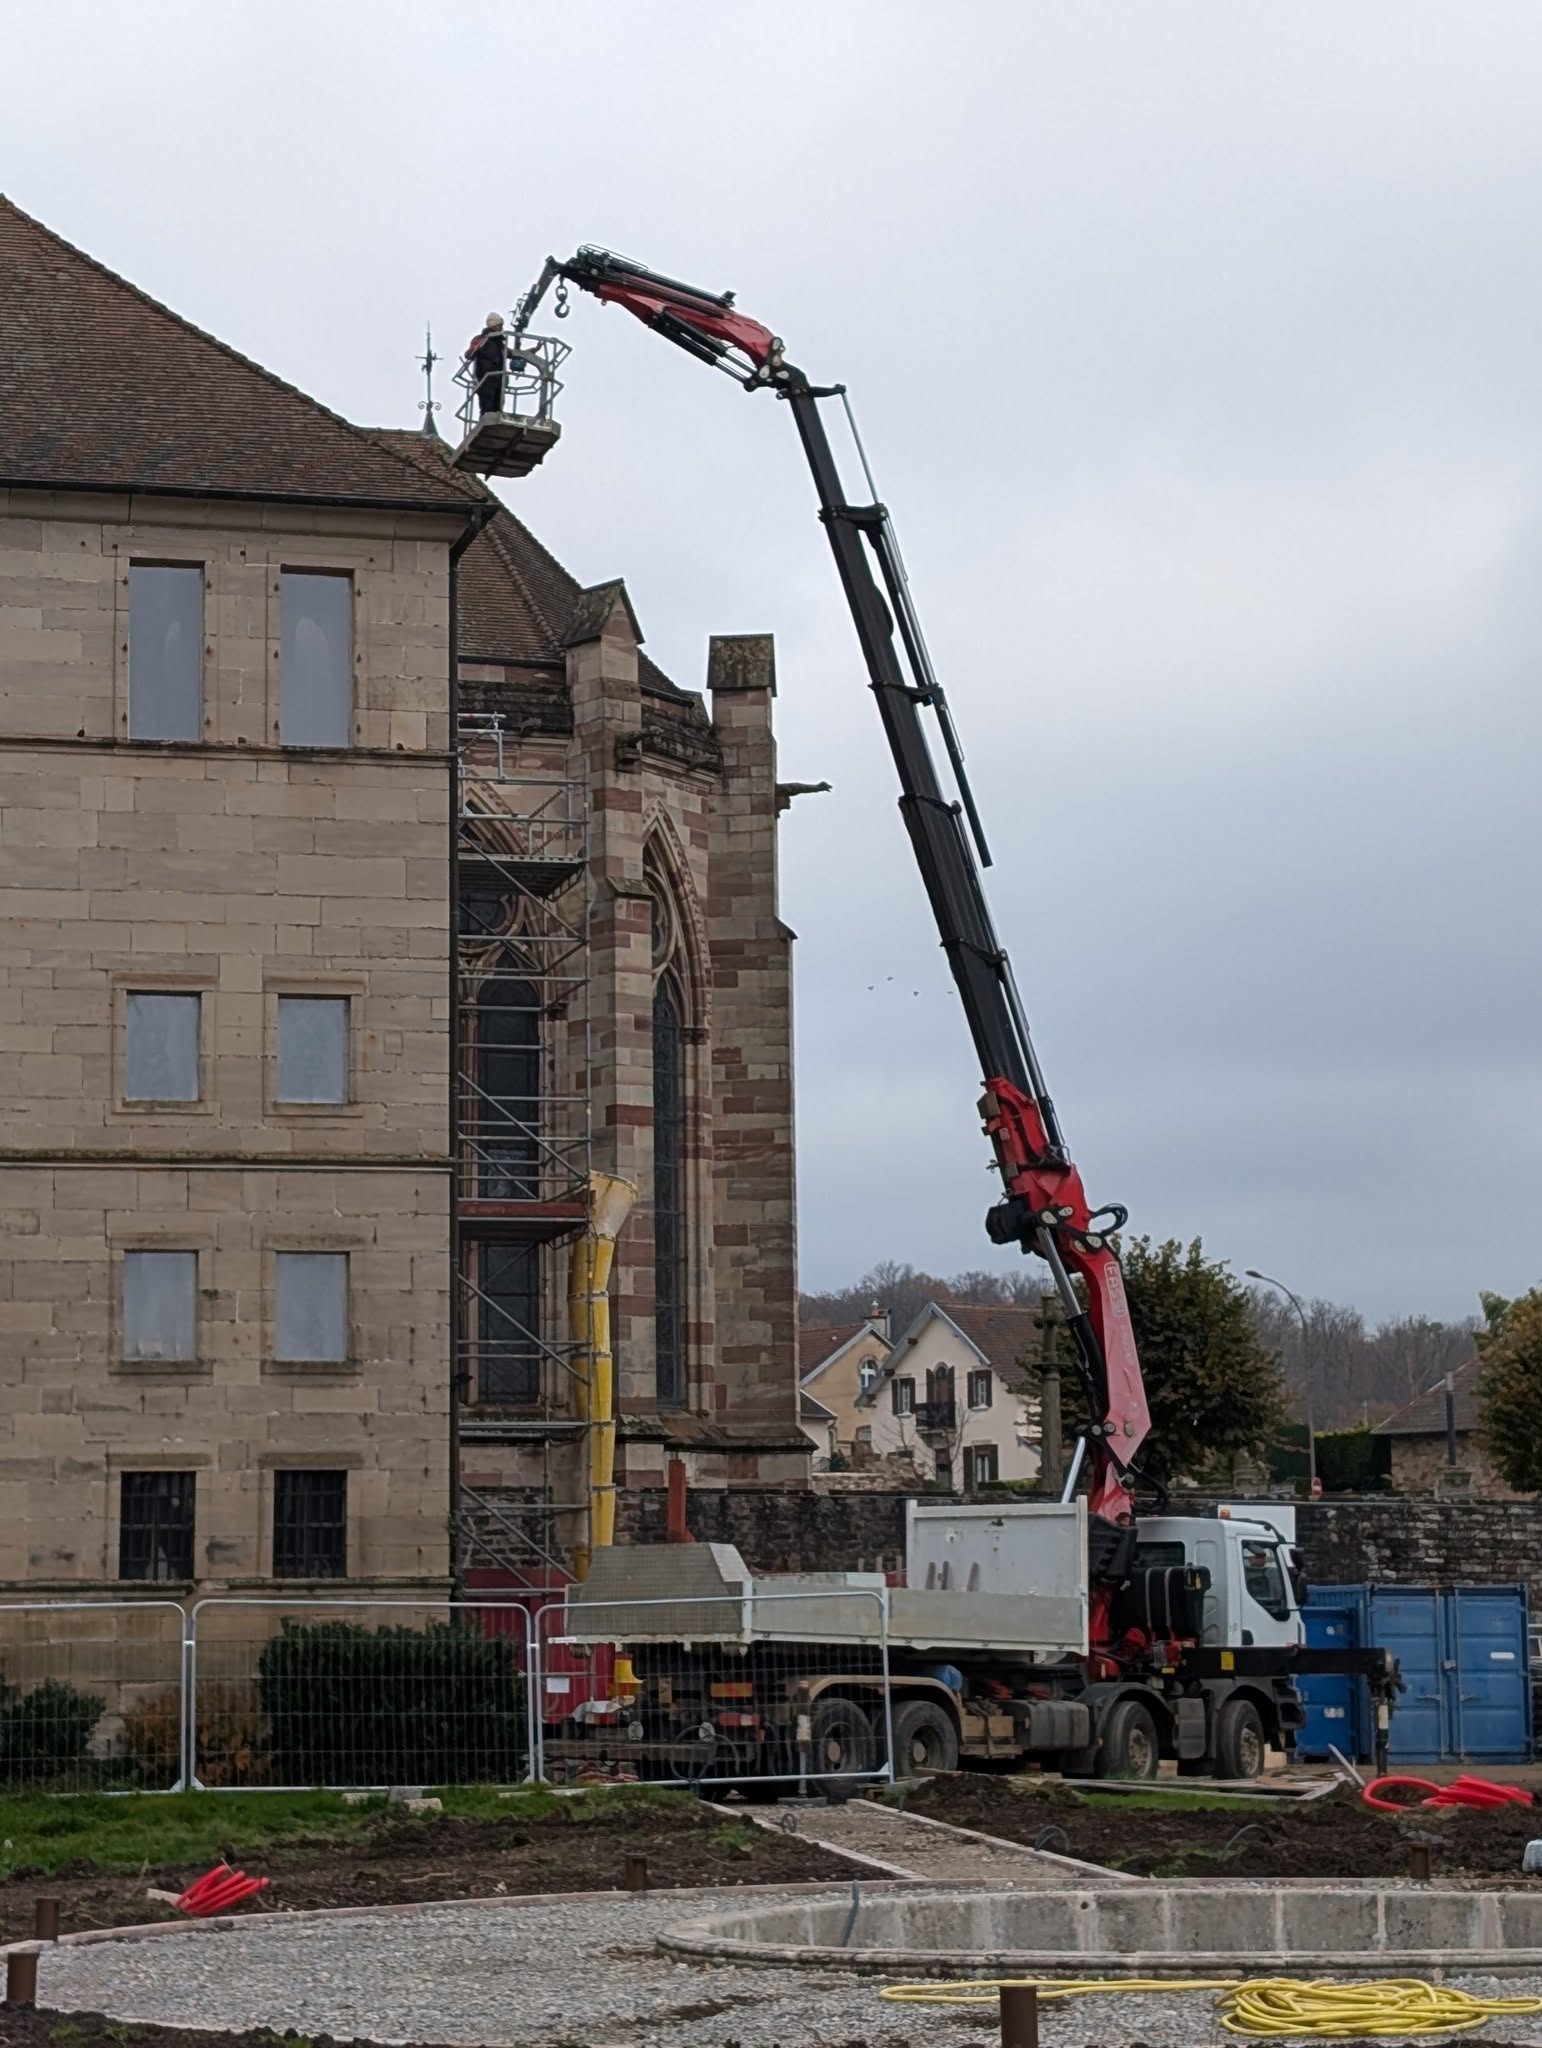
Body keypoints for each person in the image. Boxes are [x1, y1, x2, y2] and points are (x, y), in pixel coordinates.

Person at [465, 313, 508, 417]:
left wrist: (531, 351)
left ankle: (494, 421)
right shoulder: (481, 339)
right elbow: (469, 354)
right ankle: (485, 420)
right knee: (487, 407)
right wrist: (477, 347)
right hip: (486, 378)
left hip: (499, 379)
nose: (501, 328)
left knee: (498, 407)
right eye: (499, 325)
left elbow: (510, 353)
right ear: (493, 326)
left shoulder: (499, 343)